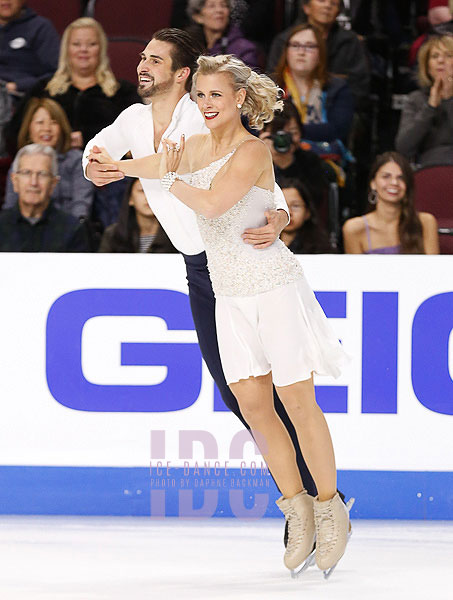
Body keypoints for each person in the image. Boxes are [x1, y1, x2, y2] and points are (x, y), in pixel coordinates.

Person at [89, 53, 351, 577]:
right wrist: (114, 168)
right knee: (253, 406)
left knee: (297, 400)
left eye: (215, 96)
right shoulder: (190, 148)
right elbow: (143, 164)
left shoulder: (253, 149)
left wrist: (163, 175)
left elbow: (210, 204)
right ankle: (296, 506)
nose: (206, 104)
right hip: (228, 293)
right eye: (201, 96)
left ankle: (330, 508)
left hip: (271, 284)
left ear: (237, 100)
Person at [2, 98, 94, 220]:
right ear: (29, 128)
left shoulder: (78, 161)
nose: (47, 128)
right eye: (40, 122)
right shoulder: (20, 161)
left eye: (54, 122)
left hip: (67, 230)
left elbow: (81, 206)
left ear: (62, 128)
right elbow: (10, 206)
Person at [266, 0, 370, 105]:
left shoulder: (350, 42)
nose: (327, 6)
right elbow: (273, 79)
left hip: (337, 106)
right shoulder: (286, 40)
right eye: (321, 1)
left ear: (339, 12)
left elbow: (359, 85)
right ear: (306, 7)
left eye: (333, 3)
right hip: (287, 107)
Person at [273, 23, 355, 146]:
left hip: (323, 157)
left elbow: (338, 129)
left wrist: (292, 131)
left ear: (320, 53)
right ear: (286, 51)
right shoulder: (269, 86)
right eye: (295, 45)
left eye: (309, 46)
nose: (301, 52)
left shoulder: (338, 87)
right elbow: (255, 125)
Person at [342, 151, 439, 254]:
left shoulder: (425, 222)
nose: (394, 183)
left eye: (401, 178)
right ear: (373, 183)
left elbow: (433, 269)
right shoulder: (354, 229)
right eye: (386, 176)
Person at [0, 144, 90, 252]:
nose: (33, 182)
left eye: (42, 174)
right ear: (14, 181)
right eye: (27, 173)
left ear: (53, 183)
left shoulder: (72, 229)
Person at [259, 101, 331, 208]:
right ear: (264, 133)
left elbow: (315, 204)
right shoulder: (253, 163)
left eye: (292, 132)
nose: (284, 139)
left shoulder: (311, 162)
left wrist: (287, 164)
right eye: (279, 134)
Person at [396, 35, 453, 167]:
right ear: (427, 67)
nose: (441, 60)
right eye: (434, 56)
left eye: (448, 55)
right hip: (428, 170)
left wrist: (449, 96)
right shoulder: (416, 99)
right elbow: (403, 147)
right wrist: (430, 107)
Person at [99, 178, 178, 253]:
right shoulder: (113, 234)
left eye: (154, 192)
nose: (148, 197)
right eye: (142, 191)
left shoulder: (176, 233)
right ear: (130, 199)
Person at [0, 0, 59, 95]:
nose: (5, 1)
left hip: (24, 96)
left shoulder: (41, 28)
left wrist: (18, 85)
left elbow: (56, 73)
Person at [185, 0, 260, 69]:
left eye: (223, 5)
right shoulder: (191, 47)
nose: (219, 10)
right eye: (211, 6)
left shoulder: (245, 48)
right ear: (198, 17)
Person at [280, 177, 333, 253]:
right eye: (282, 205)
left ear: (308, 212)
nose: (289, 213)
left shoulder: (321, 248)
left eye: (295, 206)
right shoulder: (261, 245)